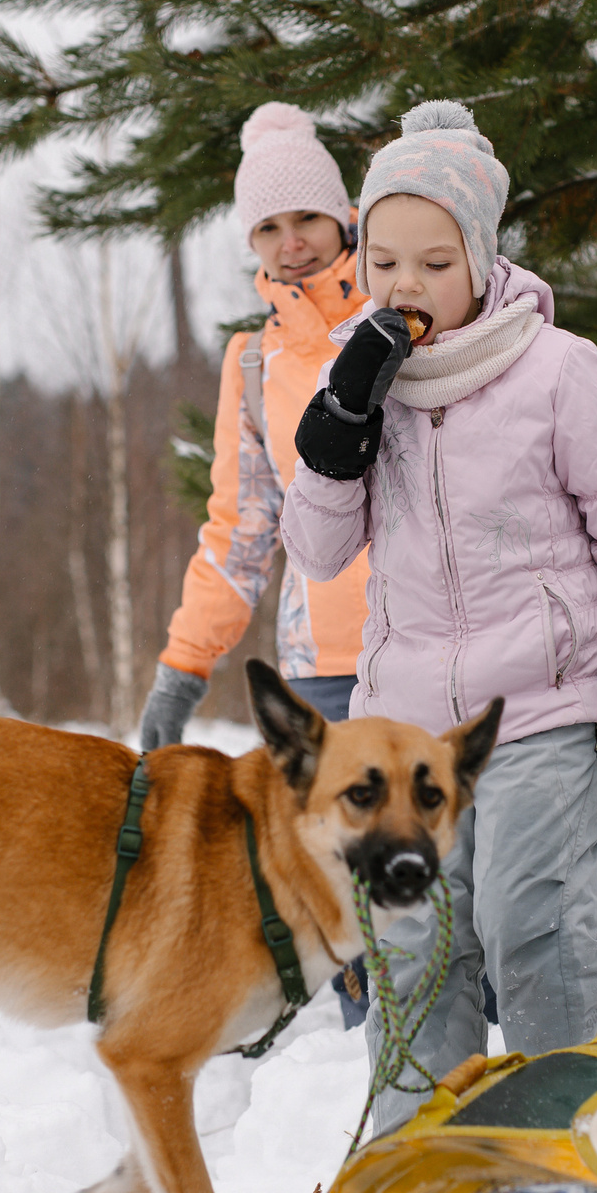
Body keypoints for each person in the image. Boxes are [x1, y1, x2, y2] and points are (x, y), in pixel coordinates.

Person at [282, 100, 597, 1130]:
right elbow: (318, 551)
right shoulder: (361, 388)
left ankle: (577, 1143)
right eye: (381, 263)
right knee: (415, 944)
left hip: (537, 709)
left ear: (479, 256)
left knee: (529, 927)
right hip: (402, 725)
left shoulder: (555, 368)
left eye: (432, 261)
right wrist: (341, 420)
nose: (404, 288)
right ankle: (421, 1172)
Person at [138, 103, 373, 748]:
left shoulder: (404, 319)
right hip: (321, 671)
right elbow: (239, 533)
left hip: (436, 652)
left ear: (342, 217)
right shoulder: (251, 364)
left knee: (452, 851)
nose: (290, 241)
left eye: (305, 218)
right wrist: (183, 665)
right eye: (268, 226)